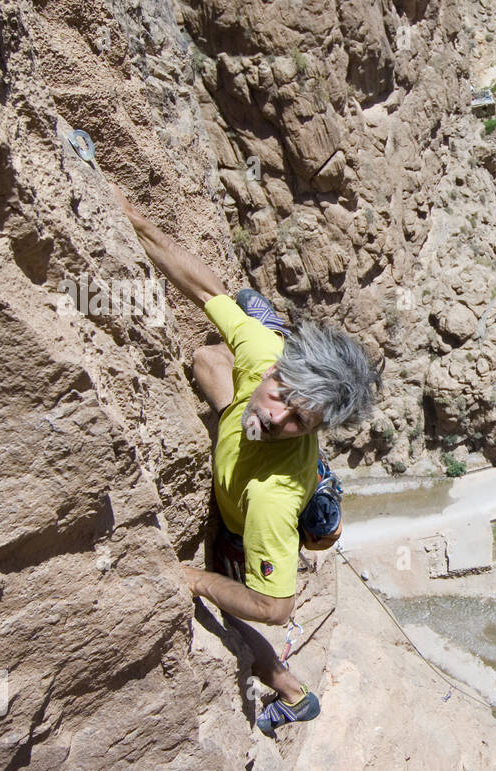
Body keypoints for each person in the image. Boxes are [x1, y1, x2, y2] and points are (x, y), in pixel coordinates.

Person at [113, 185, 381, 734]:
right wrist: (131, 218)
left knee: (233, 615)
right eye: (282, 394)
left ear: (314, 428)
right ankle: (265, 326)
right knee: (210, 355)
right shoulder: (264, 355)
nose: (279, 417)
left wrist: (193, 578)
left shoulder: (271, 500)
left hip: (244, 525)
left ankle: (294, 692)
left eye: (298, 421)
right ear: (277, 368)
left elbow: (275, 607)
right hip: (258, 390)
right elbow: (204, 285)